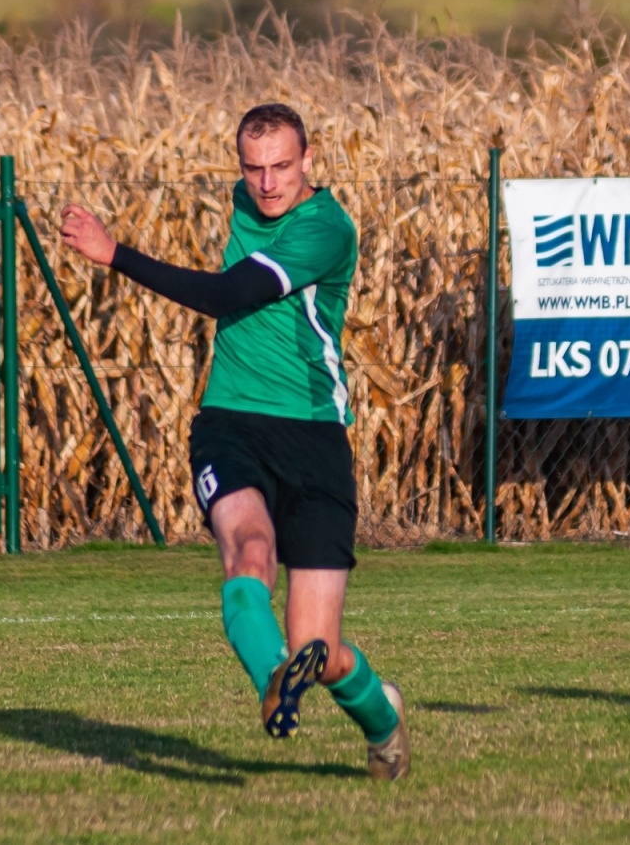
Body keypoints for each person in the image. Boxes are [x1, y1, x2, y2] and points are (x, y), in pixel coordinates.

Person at [59, 103, 409, 780]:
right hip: (230, 422)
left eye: (282, 167)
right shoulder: (245, 199)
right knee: (249, 551)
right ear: (240, 168)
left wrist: (116, 255)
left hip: (313, 436)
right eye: (254, 170)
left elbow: (228, 294)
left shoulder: (326, 230)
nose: (268, 184)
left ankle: (383, 721)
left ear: (309, 161)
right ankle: (273, 678)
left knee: (323, 649)